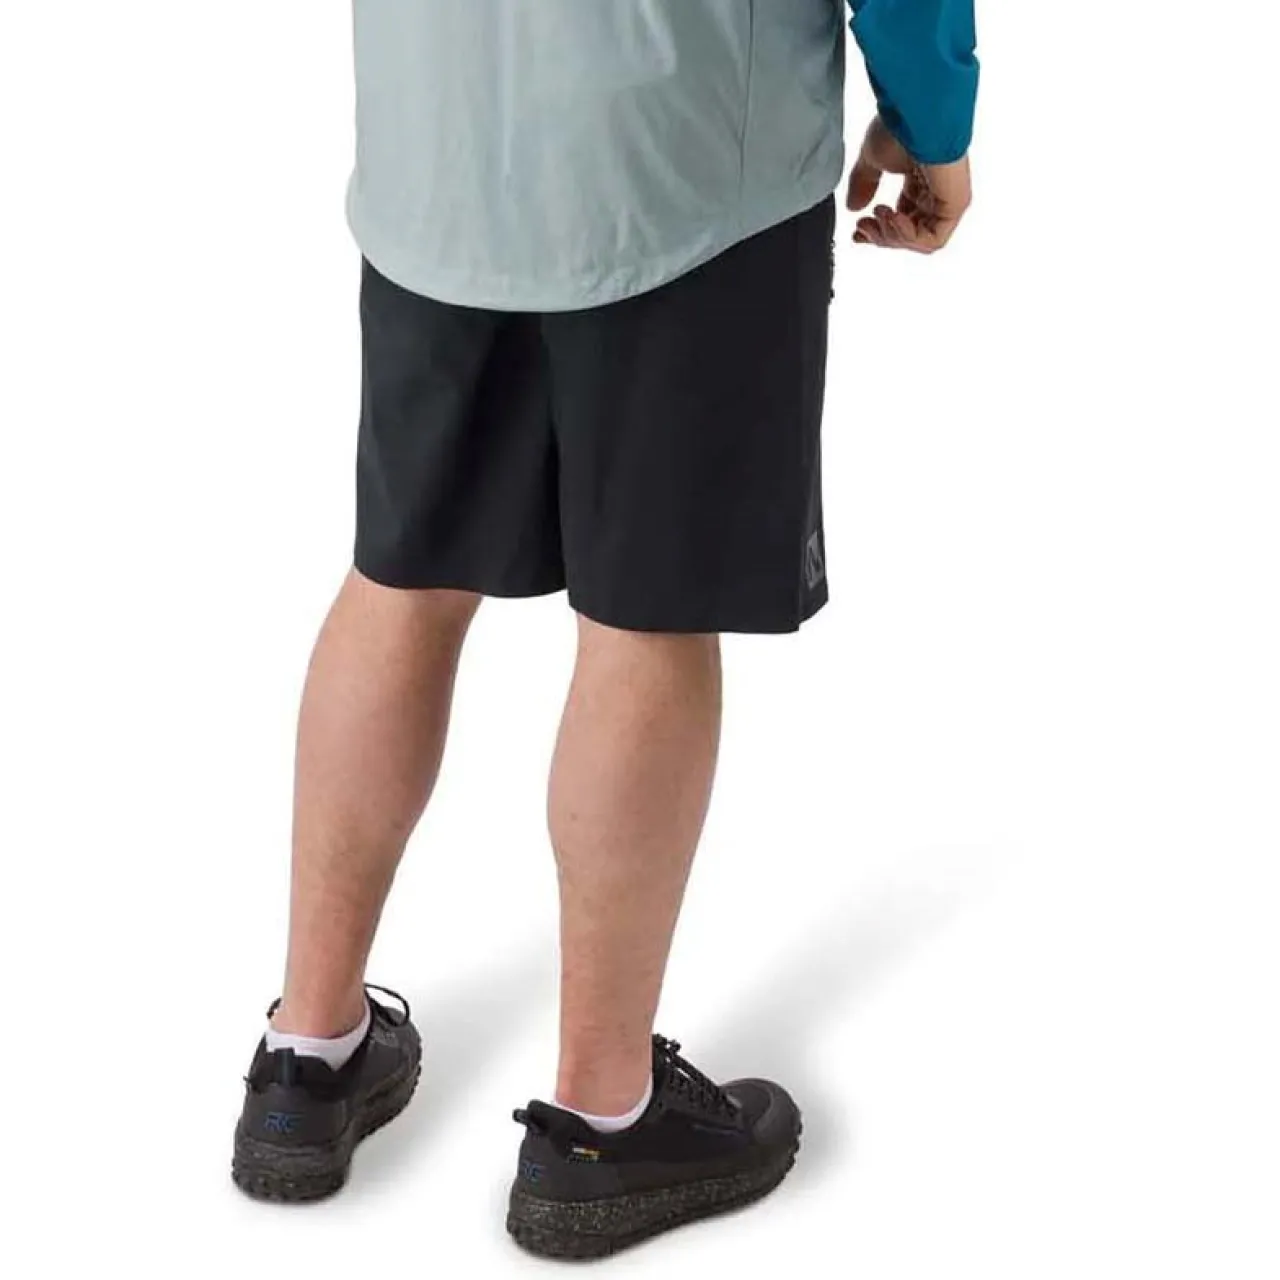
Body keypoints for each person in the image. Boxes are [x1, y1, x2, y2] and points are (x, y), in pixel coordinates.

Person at [232, 0, 978, 1257]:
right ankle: (598, 1120)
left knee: (404, 572)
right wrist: (932, 113)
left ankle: (305, 1057)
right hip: (681, 157)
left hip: (438, 141)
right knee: (647, 608)